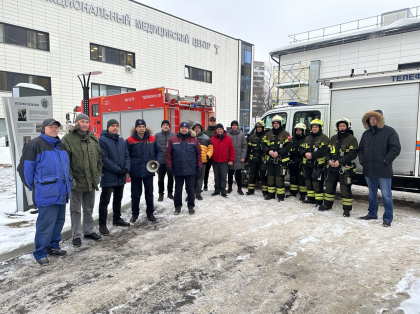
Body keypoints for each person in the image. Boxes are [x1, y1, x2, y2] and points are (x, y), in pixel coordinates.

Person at [17, 118, 71, 266]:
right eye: (51, 127)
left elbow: (65, 168)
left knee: (59, 221)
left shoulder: (60, 145)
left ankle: (53, 246)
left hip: (61, 192)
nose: (54, 129)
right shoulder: (35, 145)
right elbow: (25, 170)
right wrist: (36, 187)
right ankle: (40, 253)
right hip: (46, 192)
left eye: (56, 127)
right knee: (45, 223)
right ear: (43, 129)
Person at [62, 113, 103, 247]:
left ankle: (88, 231)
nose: (85, 124)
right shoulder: (68, 139)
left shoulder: (92, 139)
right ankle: (76, 235)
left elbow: (99, 158)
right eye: (82, 122)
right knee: (75, 210)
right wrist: (70, 177)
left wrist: (98, 173)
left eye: (87, 122)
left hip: (90, 181)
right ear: (76, 123)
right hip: (76, 181)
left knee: (88, 207)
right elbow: (64, 161)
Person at [358, 110, 401, 227]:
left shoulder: (389, 131)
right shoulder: (366, 133)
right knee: (372, 194)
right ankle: (372, 213)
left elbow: (395, 148)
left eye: (375, 118)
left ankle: (387, 218)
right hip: (369, 169)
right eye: (370, 118)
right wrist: (362, 161)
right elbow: (360, 149)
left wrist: (386, 160)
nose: (372, 120)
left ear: (380, 119)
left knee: (386, 195)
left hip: (383, 170)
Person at [97, 119, 131, 236]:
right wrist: (118, 170)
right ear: (108, 127)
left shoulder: (121, 141)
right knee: (104, 201)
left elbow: (127, 155)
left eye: (117, 126)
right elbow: (104, 159)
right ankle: (102, 224)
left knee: (118, 198)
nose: (115, 128)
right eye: (112, 126)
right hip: (109, 176)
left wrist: (126, 168)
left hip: (120, 176)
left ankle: (117, 218)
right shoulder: (102, 140)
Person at [320, 118, 358, 217]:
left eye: (343, 126)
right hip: (332, 168)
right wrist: (329, 160)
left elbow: (352, 154)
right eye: (340, 126)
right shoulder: (333, 138)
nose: (342, 127)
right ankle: (327, 205)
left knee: (345, 189)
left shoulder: (352, 139)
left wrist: (340, 162)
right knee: (329, 187)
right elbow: (327, 151)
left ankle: (346, 210)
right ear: (338, 127)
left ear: (347, 127)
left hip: (344, 168)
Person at [126, 119, 161, 223]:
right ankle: (135, 214)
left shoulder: (152, 139)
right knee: (135, 194)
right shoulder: (130, 140)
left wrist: (157, 161)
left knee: (149, 193)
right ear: (136, 128)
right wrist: (127, 170)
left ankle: (150, 213)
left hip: (148, 171)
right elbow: (126, 156)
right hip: (135, 171)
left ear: (145, 128)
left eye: (143, 127)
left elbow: (159, 152)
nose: (141, 128)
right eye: (139, 127)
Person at [166, 122, 202, 214]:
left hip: (191, 169)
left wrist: (200, 166)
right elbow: (168, 155)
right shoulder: (172, 140)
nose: (184, 129)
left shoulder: (194, 140)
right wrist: (169, 166)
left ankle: (191, 206)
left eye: (185, 128)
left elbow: (199, 155)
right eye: (182, 128)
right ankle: (177, 206)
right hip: (178, 169)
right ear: (179, 129)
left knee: (190, 189)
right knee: (178, 190)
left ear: (188, 129)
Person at [299, 119, 330, 208]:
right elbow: (301, 149)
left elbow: (324, 150)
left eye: (316, 127)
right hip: (308, 164)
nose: (314, 128)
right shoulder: (307, 138)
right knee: (308, 182)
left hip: (318, 165)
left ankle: (319, 201)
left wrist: (312, 155)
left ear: (320, 128)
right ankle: (310, 199)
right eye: (313, 127)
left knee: (317, 183)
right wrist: (305, 154)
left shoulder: (324, 138)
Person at [262, 115, 292, 201]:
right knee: (270, 178)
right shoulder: (268, 134)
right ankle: (271, 195)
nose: (275, 125)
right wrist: (269, 151)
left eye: (277, 123)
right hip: (270, 160)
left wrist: (278, 153)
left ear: (280, 124)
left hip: (281, 160)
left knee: (279, 179)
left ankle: (280, 196)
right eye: (274, 123)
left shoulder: (286, 134)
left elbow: (288, 146)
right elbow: (263, 145)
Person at [210, 123, 235, 197]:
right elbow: (210, 149)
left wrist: (231, 160)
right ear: (216, 130)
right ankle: (217, 190)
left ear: (223, 130)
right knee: (216, 176)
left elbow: (232, 150)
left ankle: (223, 191)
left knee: (223, 177)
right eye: (218, 129)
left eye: (220, 129)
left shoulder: (228, 139)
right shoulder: (212, 139)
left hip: (224, 161)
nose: (219, 130)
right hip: (215, 161)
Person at [155, 120, 176, 202]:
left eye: (167, 125)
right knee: (160, 179)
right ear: (161, 126)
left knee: (171, 178)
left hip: (170, 162)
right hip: (161, 162)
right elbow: (154, 148)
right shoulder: (157, 136)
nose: (165, 126)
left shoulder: (173, 135)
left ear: (169, 126)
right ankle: (161, 194)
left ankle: (170, 193)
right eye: (163, 125)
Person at [192, 121, 213, 200]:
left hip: (202, 161)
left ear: (201, 129)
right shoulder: (189, 137)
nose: (197, 129)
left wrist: (208, 156)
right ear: (193, 129)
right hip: (191, 162)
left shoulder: (206, 138)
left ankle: (198, 193)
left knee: (200, 178)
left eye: (198, 128)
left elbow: (210, 148)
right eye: (195, 128)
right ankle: (191, 194)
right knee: (191, 178)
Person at [245, 120, 268, 196]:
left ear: (263, 127)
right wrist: (247, 159)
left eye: (260, 127)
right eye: (257, 127)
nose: (258, 128)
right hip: (253, 159)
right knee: (252, 175)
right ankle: (250, 190)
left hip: (262, 159)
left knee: (263, 176)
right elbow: (248, 149)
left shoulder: (266, 136)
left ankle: (265, 192)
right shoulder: (252, 137)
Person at [227, 120, 247, 195]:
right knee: (230, 174)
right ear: (231, 126)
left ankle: (239, 188)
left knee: (239, 174)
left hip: (239, 158)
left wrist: (243, 156)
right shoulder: (228, 135)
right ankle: (229, 187)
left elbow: (244, 147)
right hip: (230, 159)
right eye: (233, 125)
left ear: (237, 126)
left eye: (235, 125)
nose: (234, 126)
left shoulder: (242, 135)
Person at [288, 123, 307, 201]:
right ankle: (293, 192)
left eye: (300, 130)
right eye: (297, 130)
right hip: (293, 161)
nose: (298, 132)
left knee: (302, 178)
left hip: (301, 162)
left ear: (303, 131)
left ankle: (302, 194)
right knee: (293, 178)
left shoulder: (305, 139)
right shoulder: (292, 139)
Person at [203, 116, 217, 191]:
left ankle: (216, 185)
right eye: (211, 121)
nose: (212, 122)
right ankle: (205, 185)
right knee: (206, 171)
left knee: (216, 172)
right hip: (208, 155)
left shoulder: (218, 131)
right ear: (209, 122)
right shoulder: (205, 132)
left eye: (213, 121)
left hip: (215, 154)